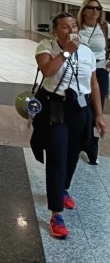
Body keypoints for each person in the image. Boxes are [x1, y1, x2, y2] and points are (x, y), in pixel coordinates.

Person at [32, 12, 105, 240]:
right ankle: (56, 214)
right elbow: (47, 70)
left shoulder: (87, 52)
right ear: (55, 30)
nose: (71, 30)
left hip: (80, 109)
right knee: (57, 155)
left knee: (73, 153)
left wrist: (99, 115)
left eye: (73, 26)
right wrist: (66, 52)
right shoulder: (46, 46)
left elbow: (93, 83)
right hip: (56, 107)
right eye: (65, 27)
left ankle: (63, 188)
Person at [77, 0, 109, 165]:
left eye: (98, 8)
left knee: (97, 109)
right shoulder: (77, 28)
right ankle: (78, 142)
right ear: (84, 10)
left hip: (100, 71)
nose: (95, 11)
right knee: (81, 106)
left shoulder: (105, 27)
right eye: (91, 8)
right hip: (81, 72)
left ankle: (92, 148)